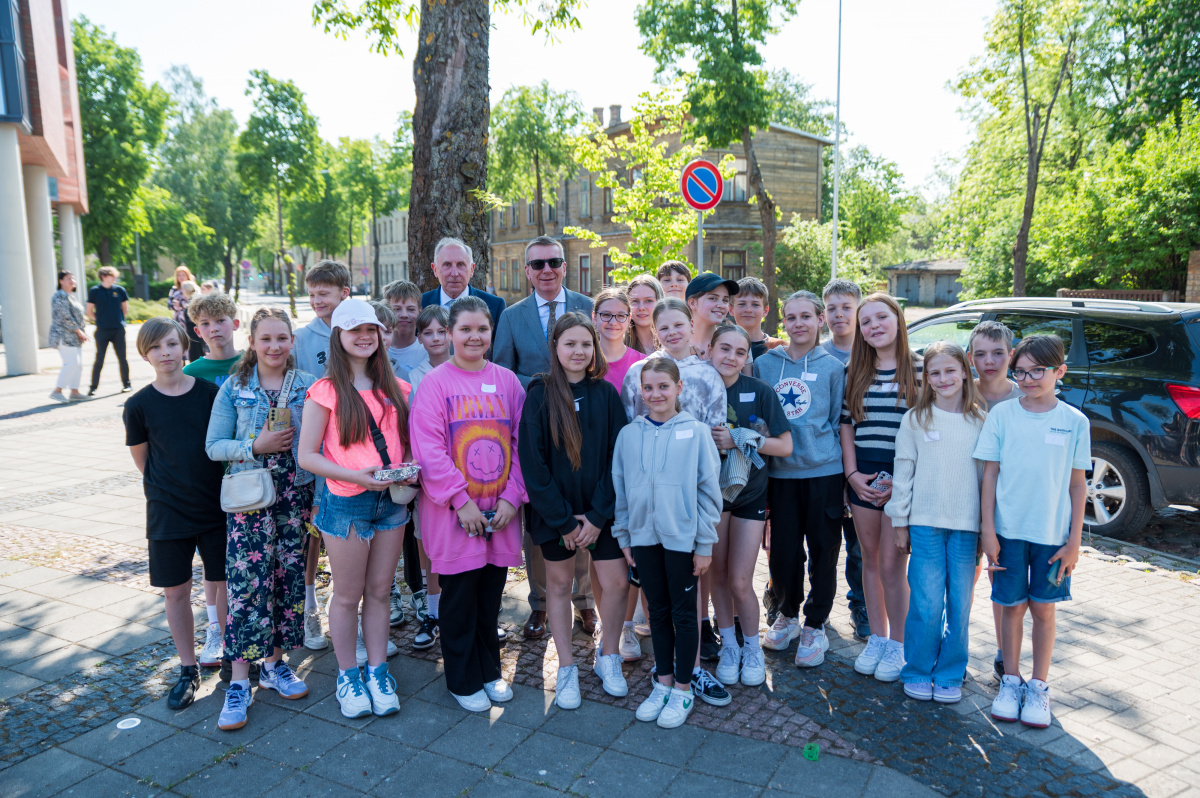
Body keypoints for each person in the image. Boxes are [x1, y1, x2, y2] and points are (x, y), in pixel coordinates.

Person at [408, 296, 528, 712]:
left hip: (500, 512)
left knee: (490, 597)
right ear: (450, 333)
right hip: (454, 514)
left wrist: (513, 496)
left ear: (491, 332)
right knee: (459, 599)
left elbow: (522, 444)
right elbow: (429, 450)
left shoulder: (508, 382)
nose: (474, 336)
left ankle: (489, 670)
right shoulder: (435, 384)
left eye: (482, 329)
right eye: (465, 329)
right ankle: (462, 679)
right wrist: (461, 502)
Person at [297, 298, 416, 719]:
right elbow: (307, 456)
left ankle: (378, 671)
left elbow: (407, 445)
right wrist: (356, 476)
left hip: (391, 501)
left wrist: (406, 471)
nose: (365, 337)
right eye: (355, 330)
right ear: (339, 336)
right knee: (348, 595)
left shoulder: (398, 389)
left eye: (371, 330)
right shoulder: (325, 391)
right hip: (346, 501)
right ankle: (348, 675)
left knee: (381, 591)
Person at [205, 308, 318, 729]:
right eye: (266, 338)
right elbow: (213, 445)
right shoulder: (235, 387)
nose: (274, 346)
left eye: (281, 338)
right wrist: (256, 445)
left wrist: (319, 499)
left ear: (292, 341)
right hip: (250, 500)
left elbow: (321, 446)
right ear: (251, 342)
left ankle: (274, 665)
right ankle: (239, 681)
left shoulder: (308, 386)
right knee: (246, 587)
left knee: (287, 581)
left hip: (294, 496)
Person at [619, 297, 729, 706]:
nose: (671, 332)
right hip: (647, 517)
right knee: (660, 605)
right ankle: (665, 675)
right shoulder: (638, 375)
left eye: (678, 324)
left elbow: (713, 448)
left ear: (690, 324)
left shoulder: (707, 376)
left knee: (688, 603)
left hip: (686, 506)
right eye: (662, 326)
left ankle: (689, 674)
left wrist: (703, 534)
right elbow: (633, 437)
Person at [977, 334, 1089, 728]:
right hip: (1007, 533)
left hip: (1053, 537)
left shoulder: (1075, 422)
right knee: (1011, 607)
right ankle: (1010, 681)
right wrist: (988, 531)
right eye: (1020, 372)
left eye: (1037, 371)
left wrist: (1074, 542)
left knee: (1042, 608)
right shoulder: (1002, 416)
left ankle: (1039, 687)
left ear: (1060, 371)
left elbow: (1078, 485)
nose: (1027, 379)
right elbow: (990, 475)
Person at [519, 313, 630, 708]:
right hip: (556, 515)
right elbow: (533, 465)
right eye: (570, 344)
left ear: (595, 348)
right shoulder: (540, 394)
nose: (578, 351)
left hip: (603, 512)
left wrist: (598, 516)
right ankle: (566, 666)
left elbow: (618, 457)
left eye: (586, 343)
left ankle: (608, 656)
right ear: (556, 348)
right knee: (559, 586)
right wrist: (564, 521)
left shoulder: (606, 394)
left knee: (616, 583)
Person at [494, 235, 596, 641]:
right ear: (527, 271)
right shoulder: (512, 316)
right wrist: (544, 385)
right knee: (539, 519)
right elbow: (503, 370)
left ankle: (584, 600)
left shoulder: (588, 307)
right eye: (538, 264)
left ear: (564, 266)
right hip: (535, 426)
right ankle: (539, 604)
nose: (547, 270)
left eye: (554, 262)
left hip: (584, 427)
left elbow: (598, 360)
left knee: (582, 511)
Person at [123, 317, 227, 711]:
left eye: (170, 344)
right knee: (176, 591)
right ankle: (188, 668)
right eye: (155, 347)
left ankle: (233, 655)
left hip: (215, 506)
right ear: (145, 355)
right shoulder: (138, 406)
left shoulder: (210, 395)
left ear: (185, 347)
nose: (164, 353)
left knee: (225, 582)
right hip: (167, 513)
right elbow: (144, 461)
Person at [885, 341, 987, 704]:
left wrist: (985, 529)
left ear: (965, 372)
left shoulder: (981, 421)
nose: (943, 379)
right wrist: (900, 521)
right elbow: (903, 472)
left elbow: (986, 478)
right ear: (926, 378)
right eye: (935, 373)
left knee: (959, 604)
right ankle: (917, 668)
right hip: (924, 524)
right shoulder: (916, 419)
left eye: (950, 371)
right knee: (927, 603)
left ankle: (950, 672)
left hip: (966, 527)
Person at [753, 292, 846, 668]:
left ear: (820, 319)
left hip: (824, 472)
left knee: (824, 551)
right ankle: (787, 614)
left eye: (806, 316)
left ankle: (815, 624)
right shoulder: (764, 364)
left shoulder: (833, 367)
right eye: (791, 317)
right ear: (783, 321)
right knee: (784, 552)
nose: (798, 324)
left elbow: (836, 420)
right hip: (781, 474)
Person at [841, 292, 923, 682]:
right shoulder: (854, 370)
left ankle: (899, 645)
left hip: (902, 480)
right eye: (866, 322)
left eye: (881, 317)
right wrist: (852, 475)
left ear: (898, 319)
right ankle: (877, 638)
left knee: (893, 566)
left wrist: (902, 484)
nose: (874, 326)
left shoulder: (921, 369)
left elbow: (928, 431)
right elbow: (846, 425)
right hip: (863, 479)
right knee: (869, 561)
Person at [707, 325, 791, 686]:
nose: (731, 357)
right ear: (710, 349)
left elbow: (785, 446)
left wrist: (743, 438)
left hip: (749, 496)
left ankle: (752, 648)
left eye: (740, 352)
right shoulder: (696, 387)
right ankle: (729, 645)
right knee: (717, 575)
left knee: (740, 579)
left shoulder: (759, 390)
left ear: (747, 358)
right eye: (724, 349)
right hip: (710, 497)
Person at [294, 260, 352, 651]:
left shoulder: (359, 329)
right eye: (312, 294)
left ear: (344, 293)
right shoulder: (302, 338)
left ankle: (349, 609)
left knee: (351, 532)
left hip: (353, 448)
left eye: (324, 293)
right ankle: (308, 606)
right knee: (312, 531)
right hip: (315, 449)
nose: (316, 300)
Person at [969, 320, 1022, 679]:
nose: (989, 361)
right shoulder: (959, 392)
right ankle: (954, 648)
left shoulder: (1024, 397)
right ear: (970, 357)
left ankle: (1005, 656)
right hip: (962, 500)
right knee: (963, 580)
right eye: (981, 354)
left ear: (1011, 355)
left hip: (1006, 506)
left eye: (998, 353)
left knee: (1000, 582)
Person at [822, 278, 869, 642]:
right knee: (821, 545)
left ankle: (862, 607)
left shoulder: (872, 353)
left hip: (861, 466)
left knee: (860, 548)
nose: (839, 315)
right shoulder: (817, 354)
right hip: (824, 466)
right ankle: (817, 609)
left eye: (846, 308)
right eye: (832, 308)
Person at [405, 304, 451, 652]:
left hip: (467, 470)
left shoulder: (465, 368)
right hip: (430, 474)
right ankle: (433, 613)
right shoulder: (414, 376)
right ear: (419, 338)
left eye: (441, 331)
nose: (435, 338)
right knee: (429, 544)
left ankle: (474, 611)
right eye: (428, 333)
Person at [420, 237, 506, 333]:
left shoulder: (495, 306)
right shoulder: (420, 305)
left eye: (460, 264)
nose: (454, 273)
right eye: (447, 265)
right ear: (435, 269)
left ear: (472, 269)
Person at [86, 265, 131, 395]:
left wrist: (117, 320)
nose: (115, 278)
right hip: (102, 330)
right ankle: (93, 387)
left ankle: (127, 384)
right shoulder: (95, 291)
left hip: (118, 329)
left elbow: (125, 309)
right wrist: (100, 320)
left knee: (122, 358)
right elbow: (89, 311)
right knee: (99, 358)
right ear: (104, 276)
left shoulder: (120, 290)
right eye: (112, 275)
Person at [182, 292, 242, 387]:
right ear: (198, 331)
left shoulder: (254, 362)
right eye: (205, 323)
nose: (213, 329)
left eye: (220, 320)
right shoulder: (189, 374)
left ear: (235, 324)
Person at [49, 271, 88, 403]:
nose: (72, 281)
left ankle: (74, 392)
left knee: (78, 365)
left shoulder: (71, 296)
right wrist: (79, 331)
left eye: (73, 278)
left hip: (74, 337)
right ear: (60, 281)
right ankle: (57, 391)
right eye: (68, 279)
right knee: (71, 363)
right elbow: (65, 317)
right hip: (64, 336)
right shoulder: (60, 296)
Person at [592, 288, 642, 392]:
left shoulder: (643, 363)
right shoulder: (584, 361)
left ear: (629, 319)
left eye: (620, 316)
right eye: (606, 315)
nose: (613, 322)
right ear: (594, 317)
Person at [685, 273, 738, 358]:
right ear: (692, 303)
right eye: (713, 298)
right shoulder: (675, 342)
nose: (721, 305)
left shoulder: (736, 342)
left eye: (725, 300)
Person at [385, 280, 429, 378]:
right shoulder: (379, 351)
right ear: (388, 311)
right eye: (397, 309)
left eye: (411, 309)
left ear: (420, 311)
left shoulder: (428, 352)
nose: (404, 315)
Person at [733, 277, 784, 360]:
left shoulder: (780, 348)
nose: (748, 310)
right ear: (731, 309)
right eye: (742, 304)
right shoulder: (722, 346)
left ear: (765, 310)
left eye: (755, 304)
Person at [625, 273, 663, 355]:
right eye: (635, 301)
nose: (641, 307)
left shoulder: (673, 342)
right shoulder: (620, 347)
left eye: (648, 300)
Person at [180, 281, 206, 363]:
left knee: (196, 356)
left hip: (195, 334)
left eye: (182, 289)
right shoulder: (192, 300)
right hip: (194, 333)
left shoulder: (192, 301)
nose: (182, 291)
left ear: (186, 290)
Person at [168, 266, 196, 331]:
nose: (181, 277)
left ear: (187, 275)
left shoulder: (193, 287)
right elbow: (169, 306)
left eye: (183, 275)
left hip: (190, 319)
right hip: (177, 320)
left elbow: (194, 304)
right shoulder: (174, 289)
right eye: (179, 275)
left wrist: (180, 304)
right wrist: (184, 305)